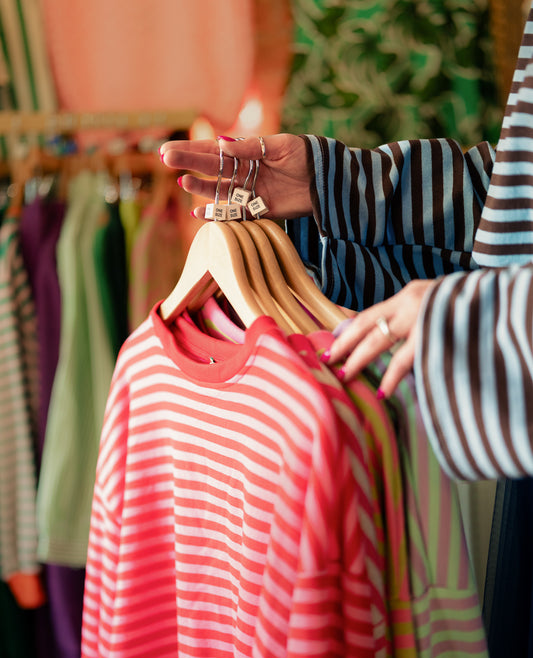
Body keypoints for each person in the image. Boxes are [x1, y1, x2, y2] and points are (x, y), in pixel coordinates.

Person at [159, 3, 533, 484]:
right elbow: (517, 199)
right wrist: (334, 184)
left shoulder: (323, 424)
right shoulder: (139, 378)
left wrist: (479, 317)